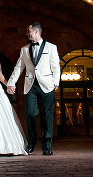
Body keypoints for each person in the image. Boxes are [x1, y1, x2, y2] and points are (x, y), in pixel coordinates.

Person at [7, 22, 61, 155]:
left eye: (28, 31)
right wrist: (11, 83)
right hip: (31, 85)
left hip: (47, 86)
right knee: (30, 113)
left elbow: (56, 67)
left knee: (46, 116)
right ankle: (31, 141)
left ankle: (46, 146)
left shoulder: (51, 47)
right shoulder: (24, 49)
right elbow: (19, 67)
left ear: (36, 32)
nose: (27, 33)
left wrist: (55, 83)